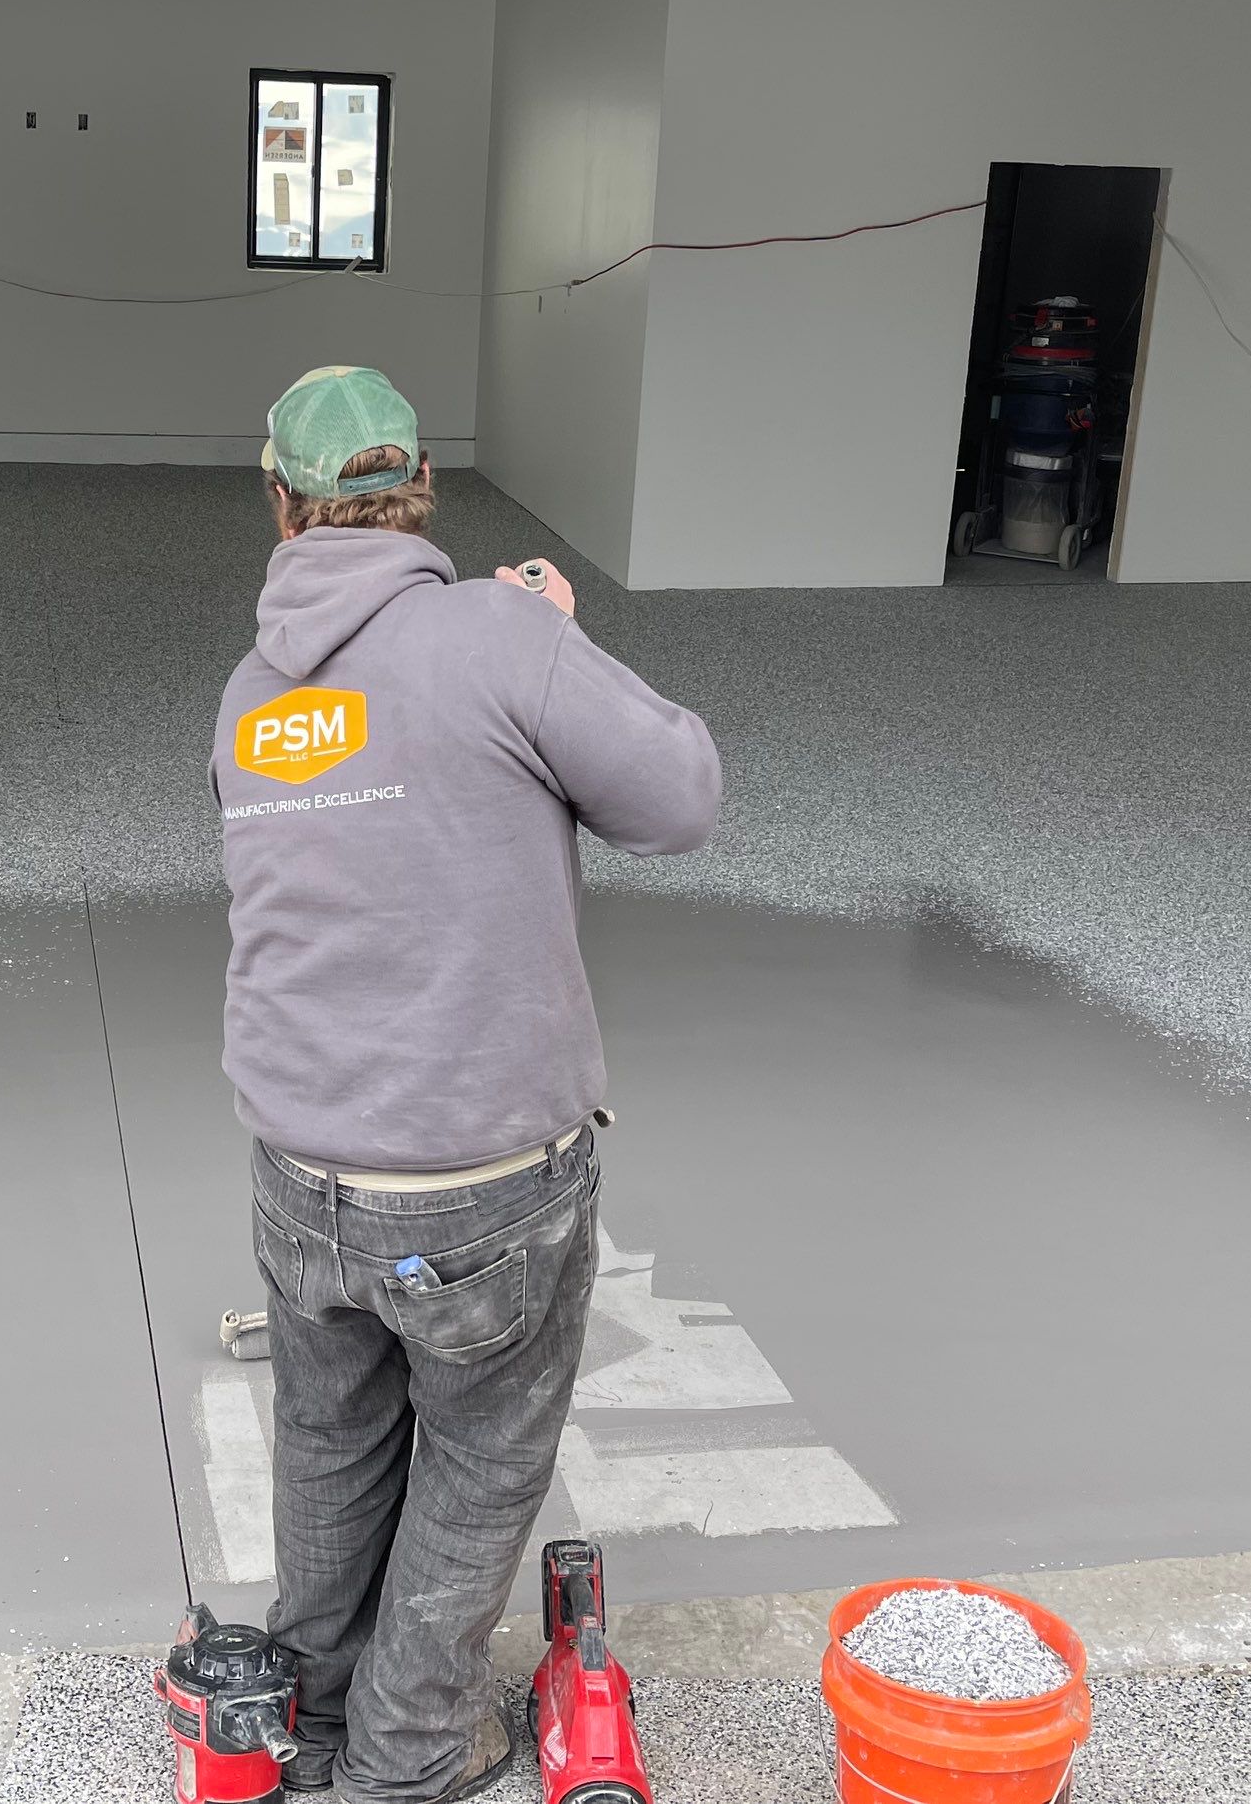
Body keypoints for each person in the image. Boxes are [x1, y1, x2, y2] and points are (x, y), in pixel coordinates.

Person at [211, 366, 721, 1804]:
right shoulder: (500, 635)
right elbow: (677, 797)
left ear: (280, 499)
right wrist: (557, 645)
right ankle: (405, 1756)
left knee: (328, 1438)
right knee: (480, 1456)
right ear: (419, 486)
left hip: (300, 1165)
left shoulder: (249, 697)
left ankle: (303, 1721)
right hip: (480, 1178)